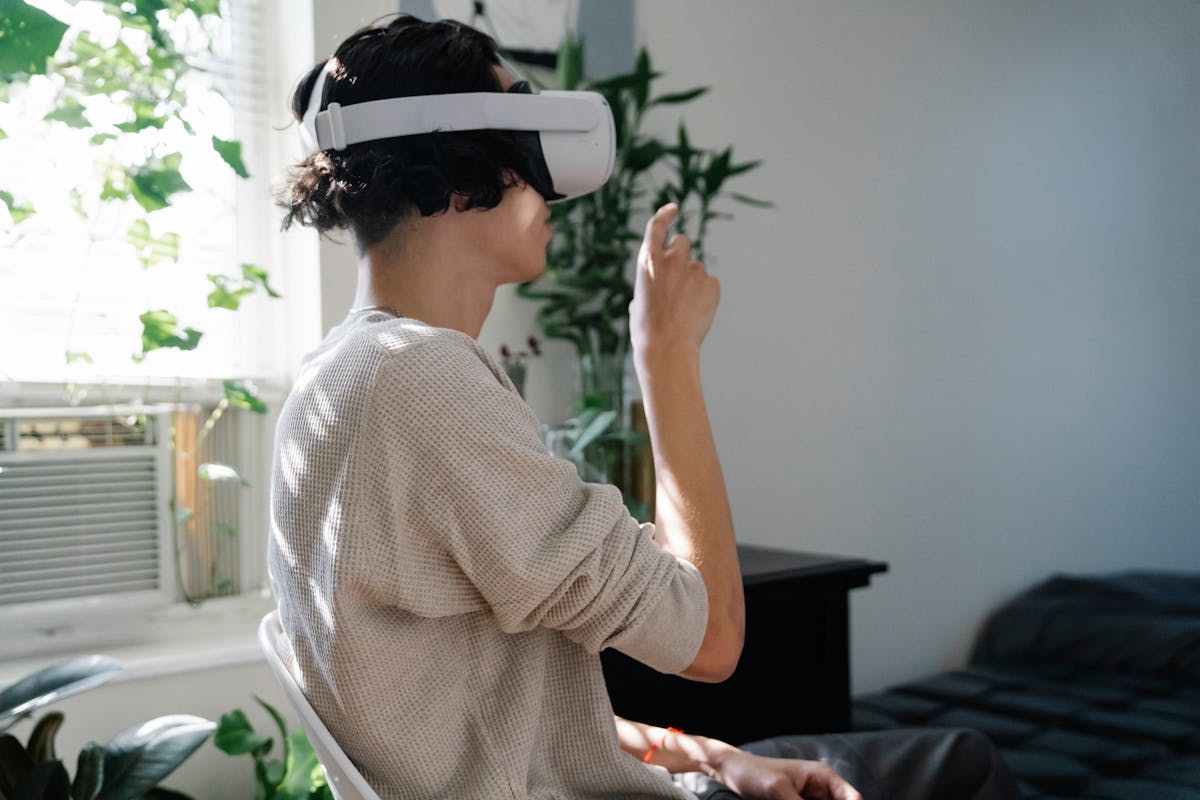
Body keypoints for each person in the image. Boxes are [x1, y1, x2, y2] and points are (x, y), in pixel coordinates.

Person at [268, 14, 1019, 800]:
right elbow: (712, 637)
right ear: (456, 169)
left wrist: (711, 757)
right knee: (964, 764)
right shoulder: (420, 383)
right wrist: (667, 356)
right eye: (525, 143)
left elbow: (478, 714)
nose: (547, 181)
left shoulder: (340, 383)